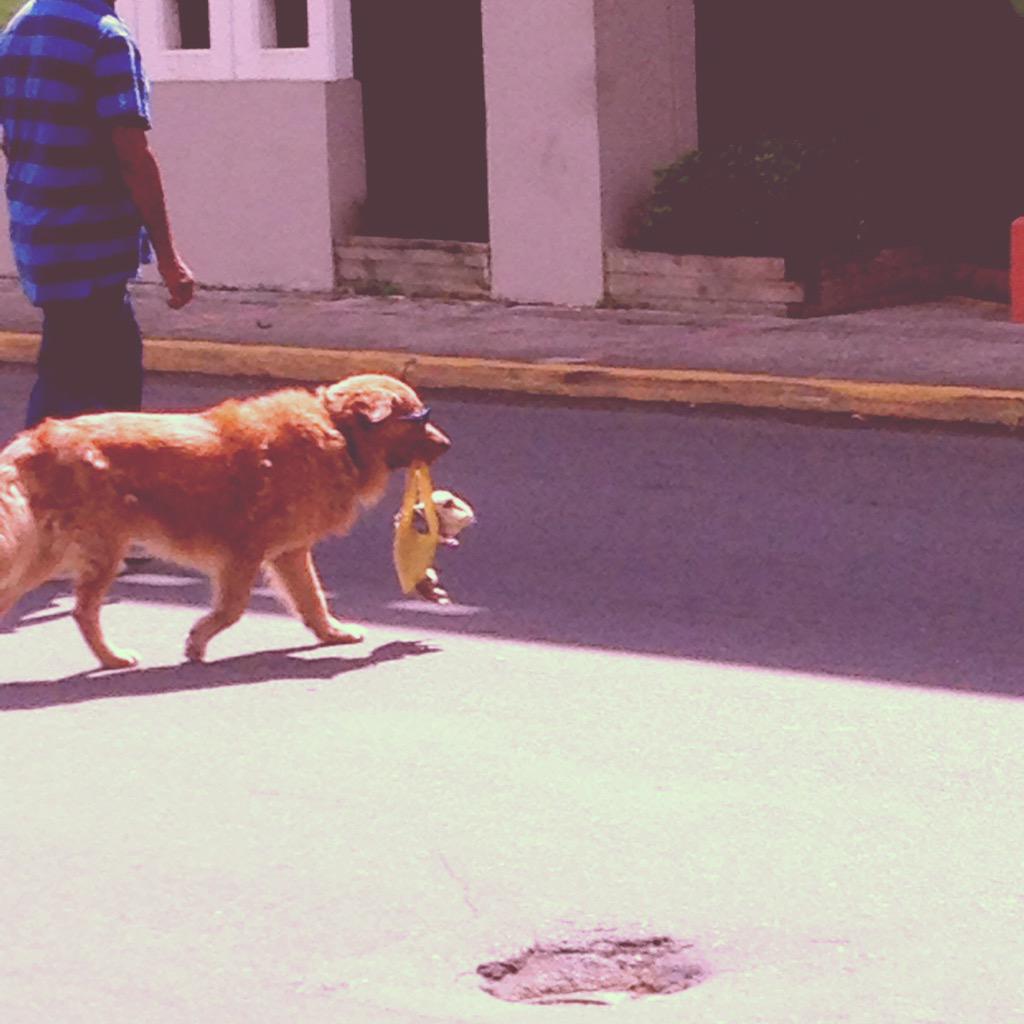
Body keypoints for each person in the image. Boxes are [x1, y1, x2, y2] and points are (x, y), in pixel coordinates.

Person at [0, 0, 194, 429]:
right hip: (89, 246)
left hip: (41, 240)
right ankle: (35, 488)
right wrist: (168, 257)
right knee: (98, 401)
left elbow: (11, 135)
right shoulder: (106, 38)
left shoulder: (20, 27)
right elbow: (133, 157)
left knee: (72, 374)